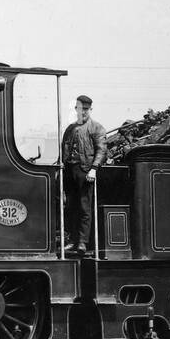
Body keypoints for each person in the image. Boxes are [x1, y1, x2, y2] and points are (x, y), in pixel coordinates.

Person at [61, 94, 107, 256]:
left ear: (90, 109)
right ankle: (73, 240)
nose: (83, 112)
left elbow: (102, 150)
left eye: (86, 109)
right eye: (80, 109)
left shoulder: (97, 128)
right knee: (71, 207)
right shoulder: (70, 129)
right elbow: (64, 149)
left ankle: (82, 242)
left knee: (84, 207)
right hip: (69, 171)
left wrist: (94, 168)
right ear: (76, 110)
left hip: (85, 171)